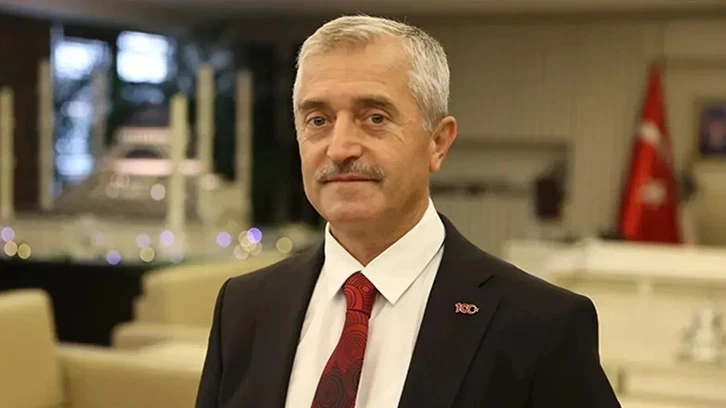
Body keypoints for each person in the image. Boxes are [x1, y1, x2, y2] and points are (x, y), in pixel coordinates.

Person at [195, 15, 620, 408]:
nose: (340, 148)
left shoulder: (539, 326)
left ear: (438, 142)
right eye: (318, 120)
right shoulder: (245, 308)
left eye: (375, 118)